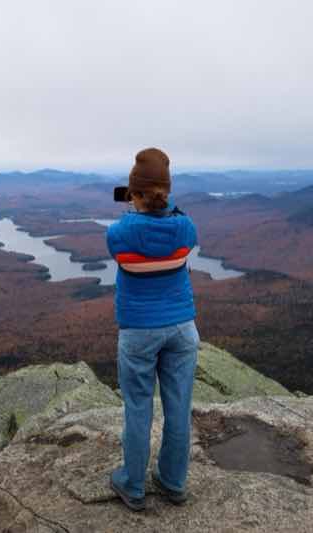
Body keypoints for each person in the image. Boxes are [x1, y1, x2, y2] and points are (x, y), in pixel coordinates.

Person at [106, 147, 199, 511]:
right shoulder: (186, 228)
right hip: (182, 330)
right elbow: (175, 229)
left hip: (139, 332)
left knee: (138, 408)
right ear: (167, 191)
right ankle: (173, 482)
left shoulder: (119, 233)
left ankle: (132, 484)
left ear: (134, 194)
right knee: (179, 407)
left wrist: (136, 205)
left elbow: (130, 233)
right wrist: (161, 204)